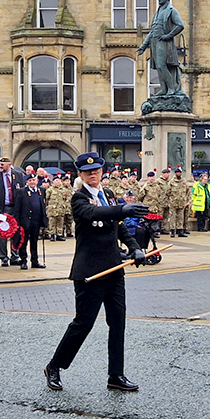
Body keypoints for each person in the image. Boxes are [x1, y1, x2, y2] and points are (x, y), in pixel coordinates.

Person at [44, 152, 148, 393]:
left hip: (114, 269)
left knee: (118, 322)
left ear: (102, 172)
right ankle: (54, 366)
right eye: (87, 172)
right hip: (89, 272)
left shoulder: (108, 195)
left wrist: (136, 248)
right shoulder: (78, 199)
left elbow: (119, 228)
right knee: (83, 323)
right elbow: (94, 214)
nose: (93, 174)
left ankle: (116, 375)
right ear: (80, 174)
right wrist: (123, 210)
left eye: (97, 170)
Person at [0, 158, 24, 266]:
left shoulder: (18, 175)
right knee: (2, 233)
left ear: (9, 165)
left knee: (16, 232)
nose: (0, 166)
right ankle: (3, 257)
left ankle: (15, 256)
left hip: (15, 208)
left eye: (2, 164)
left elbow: (22, 191)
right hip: (2, 208)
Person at [16, 174, 47, 269]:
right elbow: (17, 208)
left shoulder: (41, 191)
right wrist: (17, 222)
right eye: (30, 180)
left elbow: (43, 205)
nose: (32, 182)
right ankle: (23, 260)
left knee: (34, 242)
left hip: (36, 221)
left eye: (34, 180)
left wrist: (44, 220)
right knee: (23, 242)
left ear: (37, 181)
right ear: (27, 182)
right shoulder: (21, 192)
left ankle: (35, 261)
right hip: (25, 221)